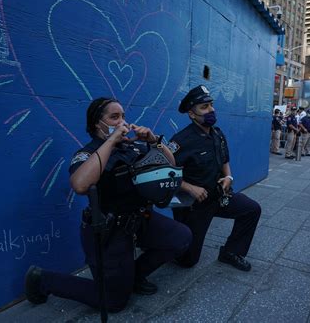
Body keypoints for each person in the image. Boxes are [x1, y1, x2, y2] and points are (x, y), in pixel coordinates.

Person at [24, 97, 192, 312]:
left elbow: (171, 165)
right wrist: (110, 141)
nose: (122, 122)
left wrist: (153, 141)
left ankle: (133, 276)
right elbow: (80, 184)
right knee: (113, 301)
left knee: (181, 238)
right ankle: (43, 279)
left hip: (139, 219)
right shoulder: (88, 153)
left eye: (123, 116)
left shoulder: (134, 146)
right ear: (97, 123)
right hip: (109, 230)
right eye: (114, 117)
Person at [169, 85, 261, 271]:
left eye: (211, 105)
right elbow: (165, 174)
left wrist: (228, 177)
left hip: (218, 197)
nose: (211, 110)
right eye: (204, 107)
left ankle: (231, 252)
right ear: (192, 114)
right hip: (194, 205)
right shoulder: (180, 141)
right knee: (188, 260)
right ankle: (164, 241)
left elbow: (224, 159)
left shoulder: (217, 134)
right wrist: (189, 187)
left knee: (251, 209)